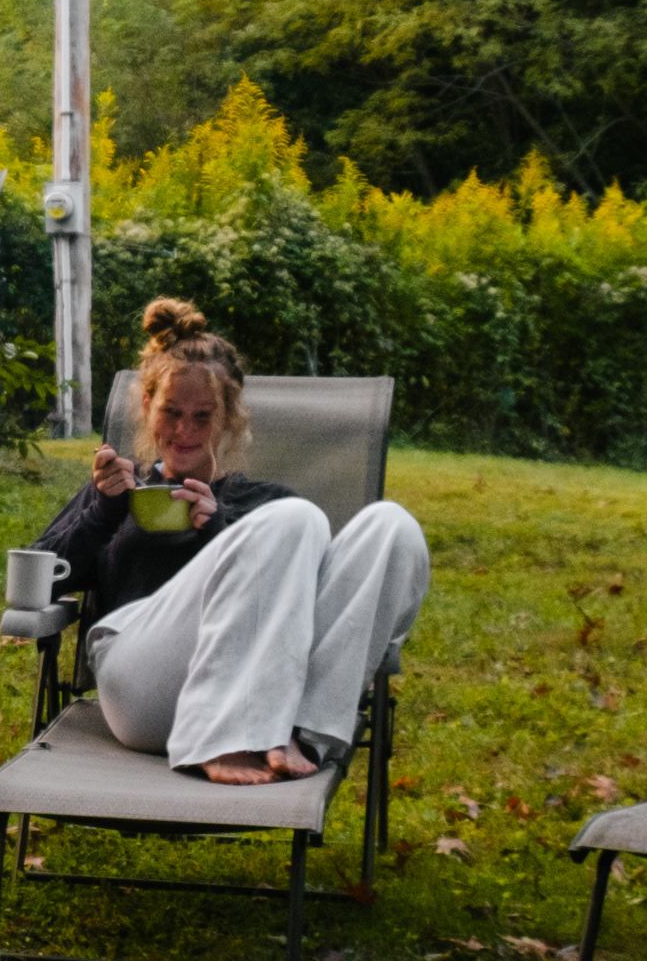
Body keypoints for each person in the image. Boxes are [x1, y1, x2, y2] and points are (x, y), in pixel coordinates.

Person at [32, 298, 429, 784]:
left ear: (229, 415)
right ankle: (219, 736)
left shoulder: (266, 506)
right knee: (296, 519)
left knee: (392, 526)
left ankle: (305, 732)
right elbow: (36, 583)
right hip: (143, 685)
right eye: (171, 412)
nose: (184, 430)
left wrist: (219, 530)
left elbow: (312, 603)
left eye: (203, 416)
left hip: (262, 699)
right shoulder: (120, 490)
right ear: (147, 407)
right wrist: (105, 510)